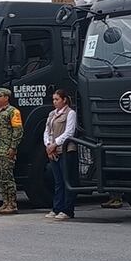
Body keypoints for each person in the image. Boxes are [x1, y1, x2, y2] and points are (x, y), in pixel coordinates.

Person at [43, 89, 77, 220]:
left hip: (66, 150)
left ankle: (68, 210)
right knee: (58, 181)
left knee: (66, 180)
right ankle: (57, 207)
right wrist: (48, 145)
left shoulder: (70, 113)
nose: (55, 102)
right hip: (53, 150)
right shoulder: (52, 114)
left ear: (64, 100)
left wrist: (55, 144)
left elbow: (69, 132)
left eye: (57, 99)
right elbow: (47, 131)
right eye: (53, 100)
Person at [0, 87, 23, 214]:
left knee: (7, 178)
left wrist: (13, 147)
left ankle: (12, 204)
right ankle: (5, 202)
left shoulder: (13, 112)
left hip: (6, 151)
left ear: (6, 98)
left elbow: (18, 131)